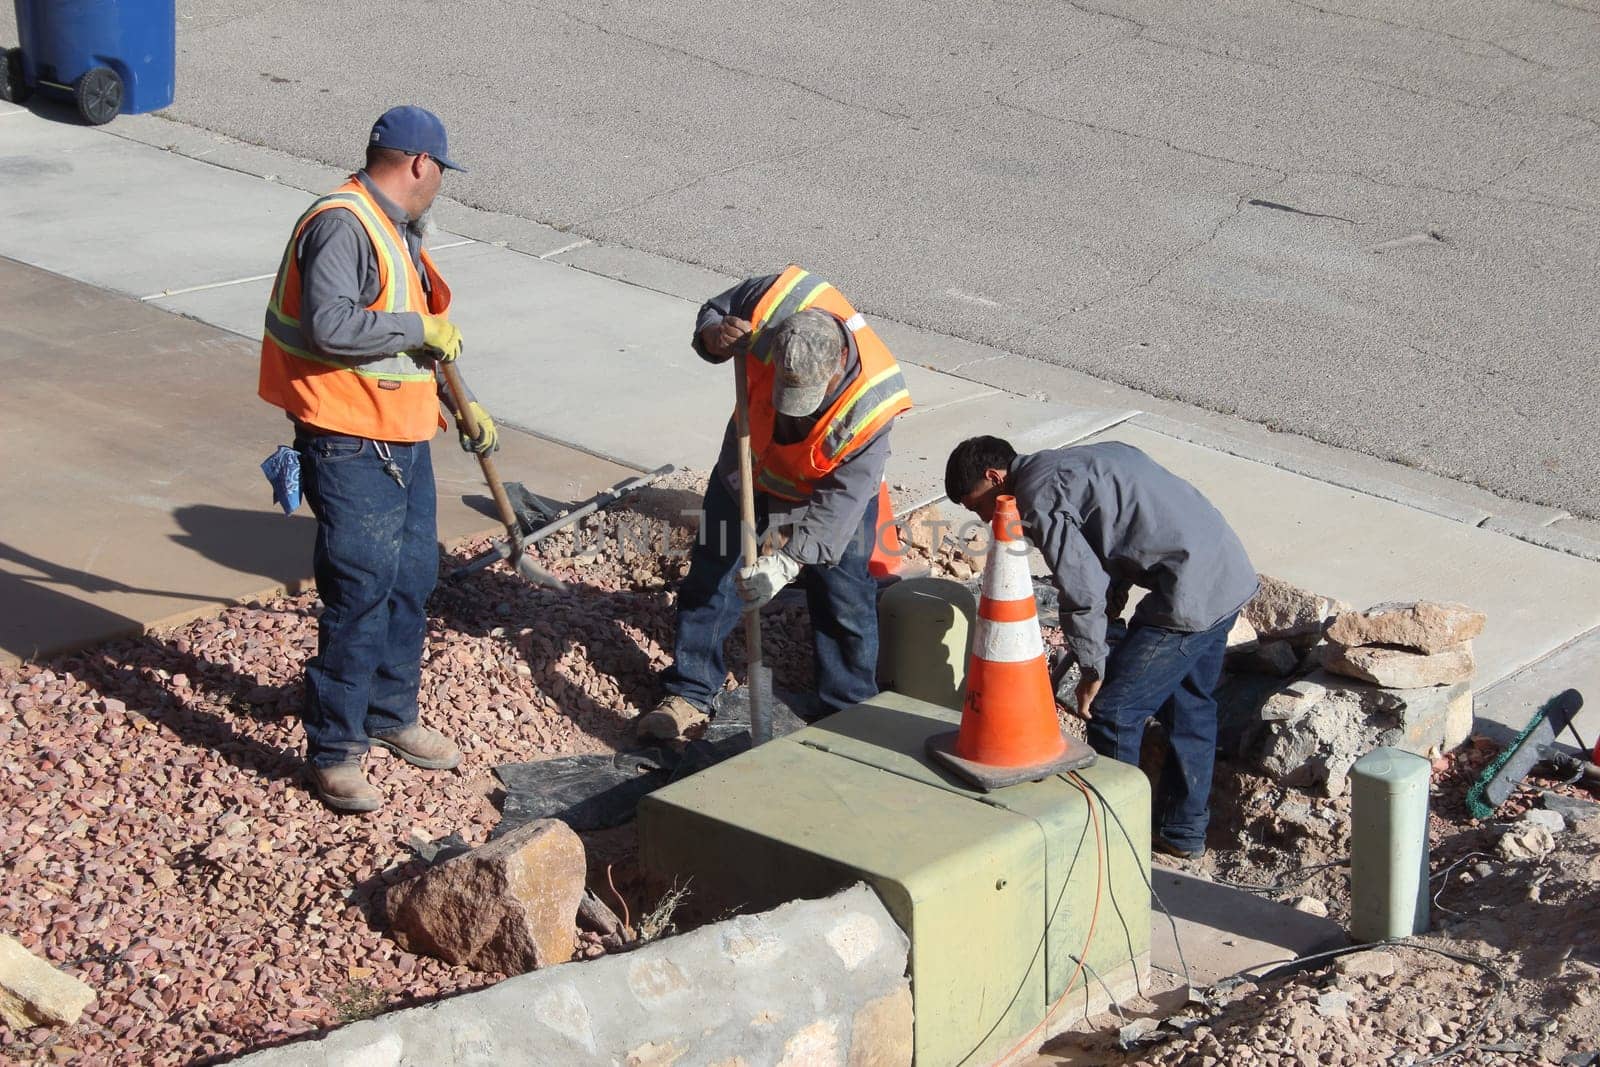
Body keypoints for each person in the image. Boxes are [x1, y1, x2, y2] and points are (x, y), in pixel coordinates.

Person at [258, 106, 499, 813]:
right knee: (359, 586)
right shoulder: (343, 222)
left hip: (401, 431)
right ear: (419, 164)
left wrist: (464, 405)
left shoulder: (395, 228)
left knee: (411, 575)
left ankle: (391, 714)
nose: (440, 187)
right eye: (440, 174)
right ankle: (335, 749)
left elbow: (414, 346)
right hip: (345, 435)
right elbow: (332, 326)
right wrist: (418, 325)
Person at [944, 436, 1258, 859]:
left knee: (1113, 713)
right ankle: (1181, 832)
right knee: (1190, 706)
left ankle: (1112, 842)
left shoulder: (1036, 496)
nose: (984, 518)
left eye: (977, 504)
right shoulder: (1083, 460)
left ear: (994, 477)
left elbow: (1081, 585)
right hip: (1227, 571)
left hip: (1189, 595)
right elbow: (1121, 538)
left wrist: (1093, 667)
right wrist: (1108, 615)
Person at [634, 266, 914, 740]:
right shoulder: (779, 298)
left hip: (824, 489)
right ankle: (690, 689)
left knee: (845, 595)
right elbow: (714, 312)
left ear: (837, 366)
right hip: (747, 466)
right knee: (713, 573)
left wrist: (786, 563)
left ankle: (848, 709)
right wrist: (715, 337)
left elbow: (840, 506)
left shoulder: (874, 404)